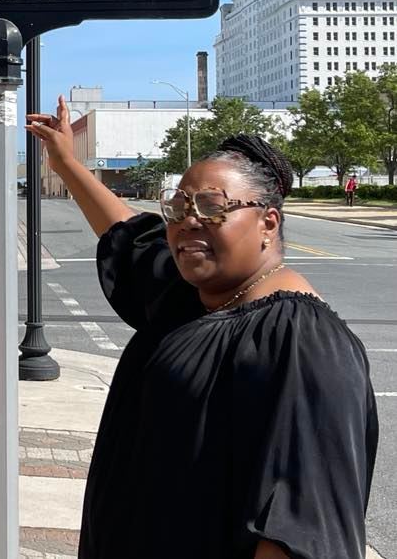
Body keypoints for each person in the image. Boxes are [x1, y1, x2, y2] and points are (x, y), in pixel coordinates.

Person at [26, 95, 377, 559]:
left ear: (268, 222)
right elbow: (127, 233)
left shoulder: (299, 341)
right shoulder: (194, 297)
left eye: (212, 207)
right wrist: (66, 161)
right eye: (177, 208)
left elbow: (299, 526)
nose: (188, 221)